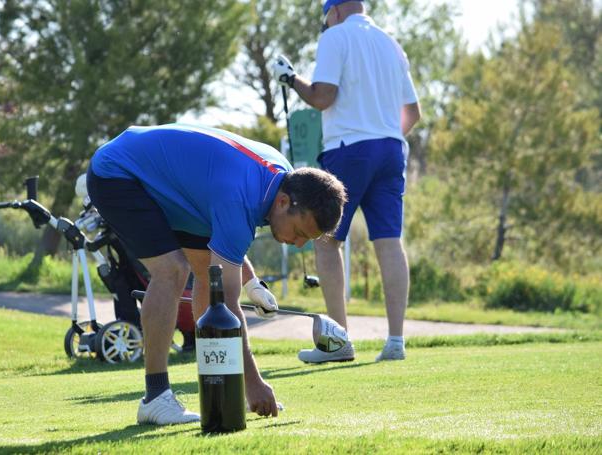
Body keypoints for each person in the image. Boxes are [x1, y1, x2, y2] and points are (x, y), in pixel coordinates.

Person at [86, 123, 347, 425]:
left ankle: (220, 386)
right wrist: (253, 383)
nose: (298, 243)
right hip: (118, 172)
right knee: (173, 271)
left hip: (179, 191)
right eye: (300, 232)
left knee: (207, 281)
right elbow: (227, 303)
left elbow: (224, 250)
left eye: (307, 239)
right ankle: (155, 397)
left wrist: (252, 283)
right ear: (284, 202)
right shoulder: (240, 196)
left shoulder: (284, 179)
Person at [272, 0, 421, 363]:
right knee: (389, 242)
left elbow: (323, 97)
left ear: (335, 11)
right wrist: (382, 134)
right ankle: (396, 342)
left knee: (326, 240)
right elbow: (413, 114)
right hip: (391, 149)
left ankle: (339, 343)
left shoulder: (335, 36)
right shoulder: (391, 43)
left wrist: (290, 79)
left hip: (349, 148)